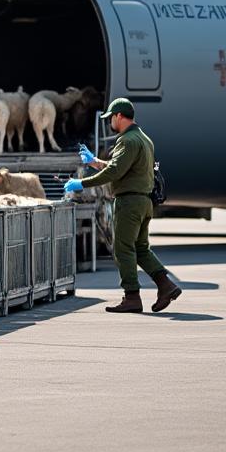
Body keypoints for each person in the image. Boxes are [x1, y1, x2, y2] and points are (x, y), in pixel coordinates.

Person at [63, 98, 182, 313]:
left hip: (129, 202)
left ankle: (132, 297)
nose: (110, 123)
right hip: (143, 202)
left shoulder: (127, 140)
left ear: (119, 116)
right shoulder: (143, 139)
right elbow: (120, 167)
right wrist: (94, 163)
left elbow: (115, 172)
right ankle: (167, 286)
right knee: (140, 248)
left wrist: (82, 183)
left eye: (110, 118)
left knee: (123, 249)